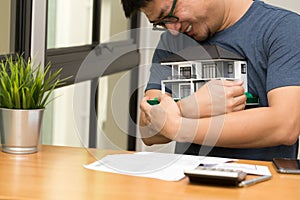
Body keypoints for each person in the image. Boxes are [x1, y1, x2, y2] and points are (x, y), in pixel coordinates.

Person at [121, 0, 300, 161]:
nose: (172, 30)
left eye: (169, 15)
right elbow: (148, 131)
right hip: (187, 185)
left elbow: (285, 125)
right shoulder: (171, 43)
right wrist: (189, 107)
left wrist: (179, 126)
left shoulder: (284, 28)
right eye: (161, 23)